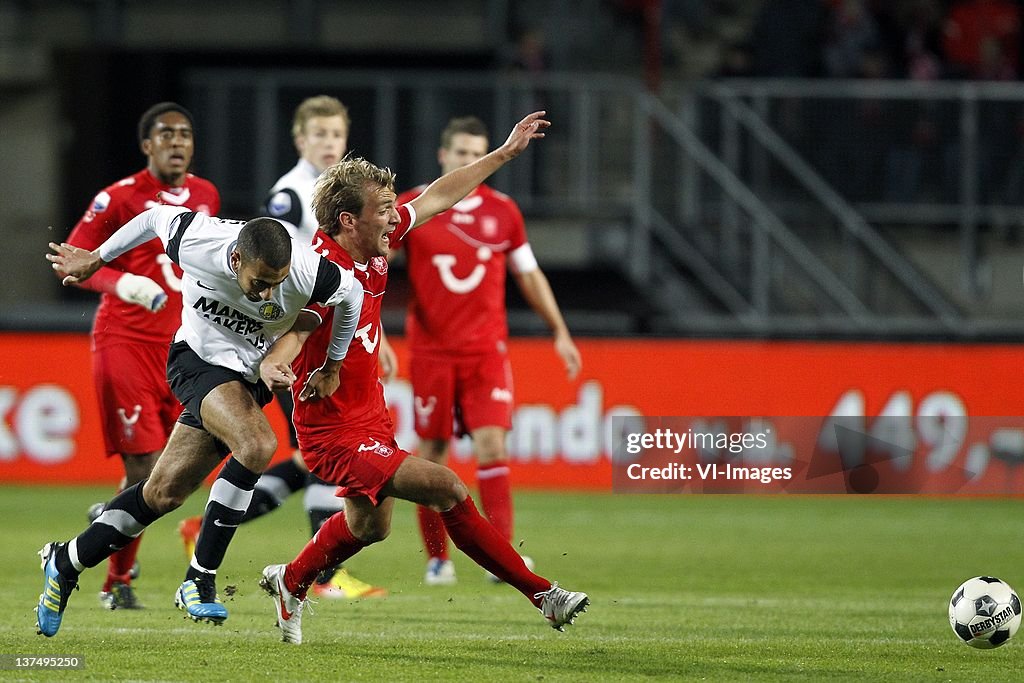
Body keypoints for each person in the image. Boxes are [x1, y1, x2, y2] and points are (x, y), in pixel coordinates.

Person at [255, 111, 589, 645]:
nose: (396, 220)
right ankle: (543, 595)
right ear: (348, 221)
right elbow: (304, 323)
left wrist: (503, 153)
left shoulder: (373, 240)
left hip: (370, 414)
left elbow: (438, 196)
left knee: (371, 526)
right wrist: (280, 360)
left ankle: (290, 580)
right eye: (384, 211)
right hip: (332, 427)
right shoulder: (322, 268)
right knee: (447, 486)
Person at [37, 204, 364, 638]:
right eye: (260, 284)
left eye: (277, 285)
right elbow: (153, 218)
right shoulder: (198, 239)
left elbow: (353, 296)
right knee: (258, 444)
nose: (268, 295)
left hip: (248, 378)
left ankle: (65, 561)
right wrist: (98, 257)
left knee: (163, 492)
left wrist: (333, 366)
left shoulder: (309, 270)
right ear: (235, 261)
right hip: (198, 361)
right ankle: (199, 580)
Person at [177, 95, 385, 600]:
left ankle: (203, 532)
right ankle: (325, 575)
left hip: (327, 331)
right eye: (320, 135)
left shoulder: (339, 199)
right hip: (294, 342)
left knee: (312, 457)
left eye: (337, 134)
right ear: (301, 141)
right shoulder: (290, 197)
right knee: (319, 454)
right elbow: (280, 266)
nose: (329, 143)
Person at [392, 116, 581, 586]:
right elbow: (373, 264)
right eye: (461, 153)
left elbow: (529, 274)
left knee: (493, 444)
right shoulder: (414, 206)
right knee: (432, 452)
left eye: (478, 152)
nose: (469, 160)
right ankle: (438, 559)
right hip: (432, 351)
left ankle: (502, 557)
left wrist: (559, 330)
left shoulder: (504, 211)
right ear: (443, 156)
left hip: (485, 351)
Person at [66, 102, 220, 610]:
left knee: (177, 474)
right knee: (146, 470)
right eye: (166, 134)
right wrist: (126, 283)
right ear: (147, 145)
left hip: (183, 349)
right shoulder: (117, 197)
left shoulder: (206, 195)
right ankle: (117, 582)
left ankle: (110, 516)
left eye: (185, 133)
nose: (177, 141)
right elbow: (75, 260)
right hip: (125, 343)